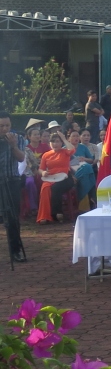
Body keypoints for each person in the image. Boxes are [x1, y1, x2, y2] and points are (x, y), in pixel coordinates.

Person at [0, 112, 27, 264]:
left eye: (7, 125)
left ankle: (15, 250)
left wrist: (13, 146)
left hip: (12, 181)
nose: (5, 129)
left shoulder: (19, 139)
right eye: (1, 126)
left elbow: (21, 158)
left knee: (12, 218)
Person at [35, 132, 74, 224]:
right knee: (45, 188)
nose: (55, 144)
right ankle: (44, 216)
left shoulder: (65, 152)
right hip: (50, 177)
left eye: (58, 141)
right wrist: (43, 172)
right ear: (49, 143)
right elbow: (40, 169)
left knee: (55, 188)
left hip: (65, 178)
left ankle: (57, 213)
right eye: (53, 141)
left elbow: (72, 149)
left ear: (61, 143)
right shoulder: (46, 155)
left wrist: (64, 138)